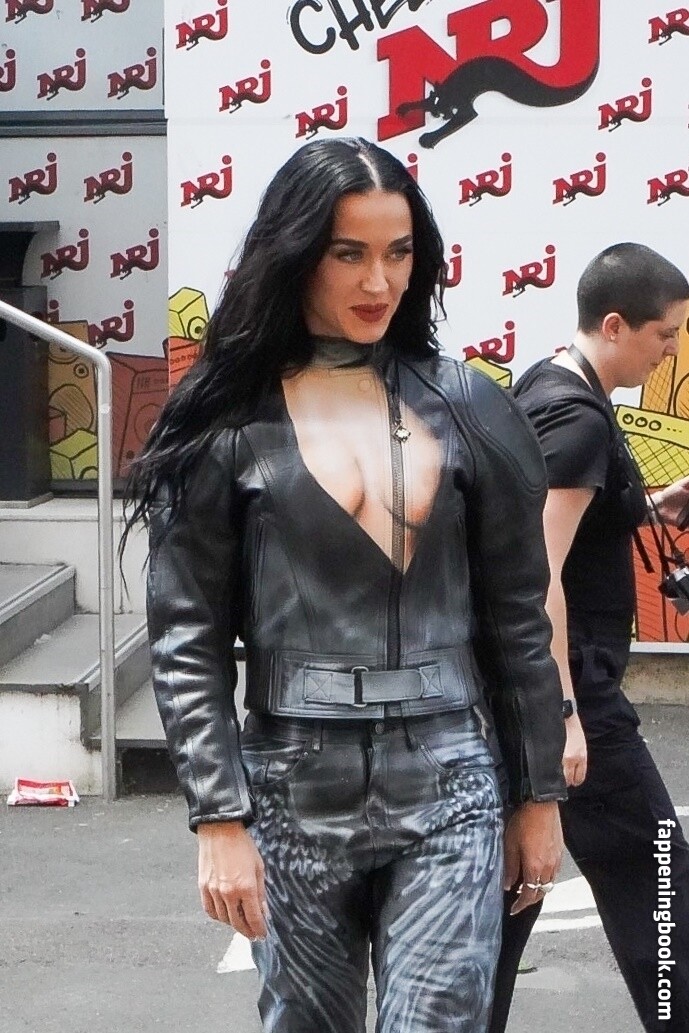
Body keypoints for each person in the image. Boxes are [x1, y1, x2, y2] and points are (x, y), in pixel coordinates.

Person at [125, 137, 566, 1033]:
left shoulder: (470, 406)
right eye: (348, 253)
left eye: (398, 253)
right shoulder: (226, 420)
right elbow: (185, 636)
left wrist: (539, 795)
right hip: (291, 781)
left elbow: (517, 621)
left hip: (449, 775)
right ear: (295, 255)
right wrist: (218, 817)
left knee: (439, 1020)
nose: (378, 281)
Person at [489, 243, 689, 1033]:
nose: (669, 350)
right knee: (657, 874)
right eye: (662, 334)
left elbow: (559, 525)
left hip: (535, 691)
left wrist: (647, 506)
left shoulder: (547, 382)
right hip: (573, 696)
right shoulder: (575, 420)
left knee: (512, 891)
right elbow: (535, 571)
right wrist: (565, 714)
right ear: (614, 325)